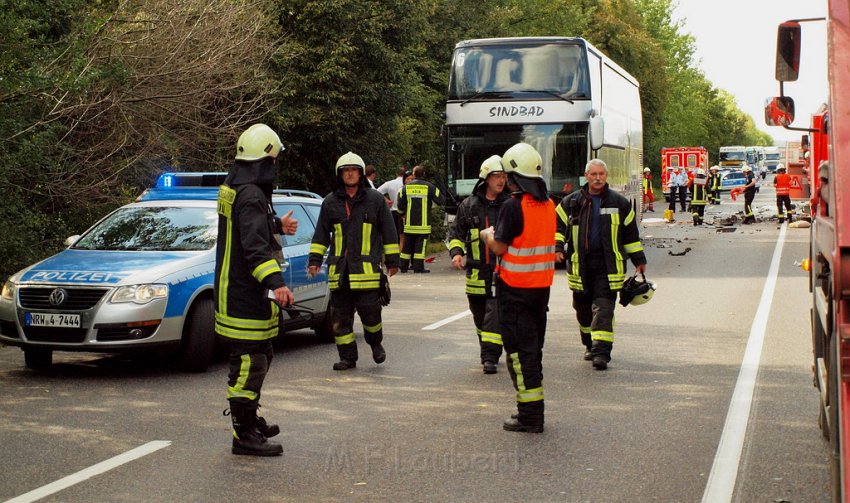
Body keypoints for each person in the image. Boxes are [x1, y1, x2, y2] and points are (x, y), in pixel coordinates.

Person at [215, 123, 298, 457]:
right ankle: (243, 433)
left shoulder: (237, 186)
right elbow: (253, 248)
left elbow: (244, 225)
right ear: (266, 158)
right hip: (243, 296)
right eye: (275, 158)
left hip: (235, 290)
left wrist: (278, 224)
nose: (276, 165)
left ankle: (250, 418)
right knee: (250, 362)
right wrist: (276, 283)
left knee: (260, 356)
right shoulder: (251, 194)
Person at [480, 142, 555, 434]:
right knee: (532, 352)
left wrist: (488, 235)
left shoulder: (514, 206)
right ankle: (533, 411)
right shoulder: (548, 205)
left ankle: (530, 416)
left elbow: (499, 246)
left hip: (514, 292)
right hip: (540, 292)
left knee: (519, 356)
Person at [308, 152, 400, 371]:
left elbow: (389, 231)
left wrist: (393, 261)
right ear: (340, 175)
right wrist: (314, 260)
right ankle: (347, 358)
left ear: (360, 174)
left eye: (354, 170)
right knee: (340, 319)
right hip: (339, 273)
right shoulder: (330, 202)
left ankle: (376, 344)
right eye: (345, 170)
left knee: (371, 315)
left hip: (367, 271)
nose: (350, 174)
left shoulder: (375, 200)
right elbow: (321, 234)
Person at [555, 159, 647, 370]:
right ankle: (589, 344)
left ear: (606, 176)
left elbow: (631, 236)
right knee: (583, 310)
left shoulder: (620, 203)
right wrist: (558, 247)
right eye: (594, 174)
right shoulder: (571, 202)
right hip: (580, 266)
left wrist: (639, 260)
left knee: (604, 308)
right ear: (586, 176)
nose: (598, 178)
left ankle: (601, 353)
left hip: (608, 266)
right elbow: (557, 226)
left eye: (601, 174)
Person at [448, 155, 509, 374]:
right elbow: (455, 233)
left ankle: (490, 357)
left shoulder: (510, 205)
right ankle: (488, 347)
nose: (501, 181)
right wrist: (456, 253)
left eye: (504, 176)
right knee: (480, 315)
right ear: (485, 178)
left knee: (495, 313)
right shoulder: (469, 205)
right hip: (475, 271)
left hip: (501, 270)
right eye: (496, 176)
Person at [398, 165, 444, 273]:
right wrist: (430, 206)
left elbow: (400, 204)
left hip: (409, 224)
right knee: (420, 247)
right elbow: (441, 200)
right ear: (424, 175)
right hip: (423, 225)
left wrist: (401, 214)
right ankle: (418, 268)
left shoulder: (406, 187)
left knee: (406, 247)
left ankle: (403, 267)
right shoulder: (430, 187)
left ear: (413, 175)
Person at [377, 167, 406, 240]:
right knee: (403, 235)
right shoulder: (407, 184)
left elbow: (377, 192)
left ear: (396, 173)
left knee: (394, 234)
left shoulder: (389, 183)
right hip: (404, 213)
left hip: (393, 212)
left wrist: (386, 200)